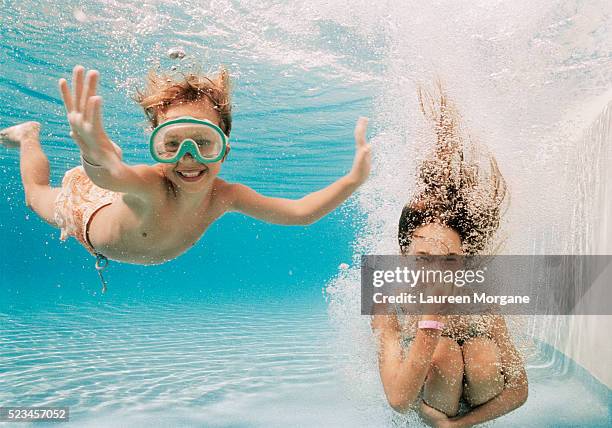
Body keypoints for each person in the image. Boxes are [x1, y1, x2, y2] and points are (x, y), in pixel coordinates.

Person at [0, 65, 371, 270]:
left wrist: (353, 179)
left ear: (224, 149)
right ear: (157, 147)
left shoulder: (226, 196)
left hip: (115, 192)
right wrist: (93, 153)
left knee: (106, 166)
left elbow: (300, 213)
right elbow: (109, 176)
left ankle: (100, 150)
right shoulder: (151, 183)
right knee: (36, 197)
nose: (188, 157)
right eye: (173, 145)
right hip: (87, 212)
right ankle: (29, 137)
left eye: (203, 143)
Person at [371, 81, 527, 428]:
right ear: (403, 252)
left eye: (450, 261)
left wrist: (458, 425)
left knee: (482, 354)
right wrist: (431, 320)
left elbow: (519, 389)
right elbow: (397, 399)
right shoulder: (388, 304)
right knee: (443, 355)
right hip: (424, 397)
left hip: (462, 411)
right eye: (423, 258)